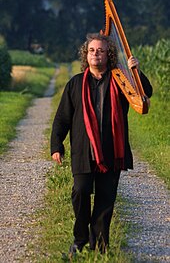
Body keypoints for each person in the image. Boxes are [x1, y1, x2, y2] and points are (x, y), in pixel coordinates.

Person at [50, 33, 152, 256]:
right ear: (86, 55)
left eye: (100, 50)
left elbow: (146, 95)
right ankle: (80, 238)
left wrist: (137, 72)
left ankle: (101, 246)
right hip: (83, 152)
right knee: (80, 191)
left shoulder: (121, 81)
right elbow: (62, 118)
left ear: (109, 55)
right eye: (92, 50)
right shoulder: (75, 83)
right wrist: (57, 145)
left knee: (106, 200)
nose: (95, 54)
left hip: (111, 151)